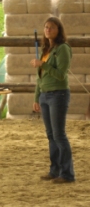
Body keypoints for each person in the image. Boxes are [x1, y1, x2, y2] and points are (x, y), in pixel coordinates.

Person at [30, 16, 75, 183]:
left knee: (59, 135)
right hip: (44, 95)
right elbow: (39, 78)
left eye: (52, 27)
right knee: (50, 135)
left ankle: (67, 174)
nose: (48, 30)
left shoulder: (63, 48)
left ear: (59, 30)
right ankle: (54, 170)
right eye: (46, 27)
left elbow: (61, 74)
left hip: (58, 95)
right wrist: (36, 97)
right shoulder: (46, 50)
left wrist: (43, 65)